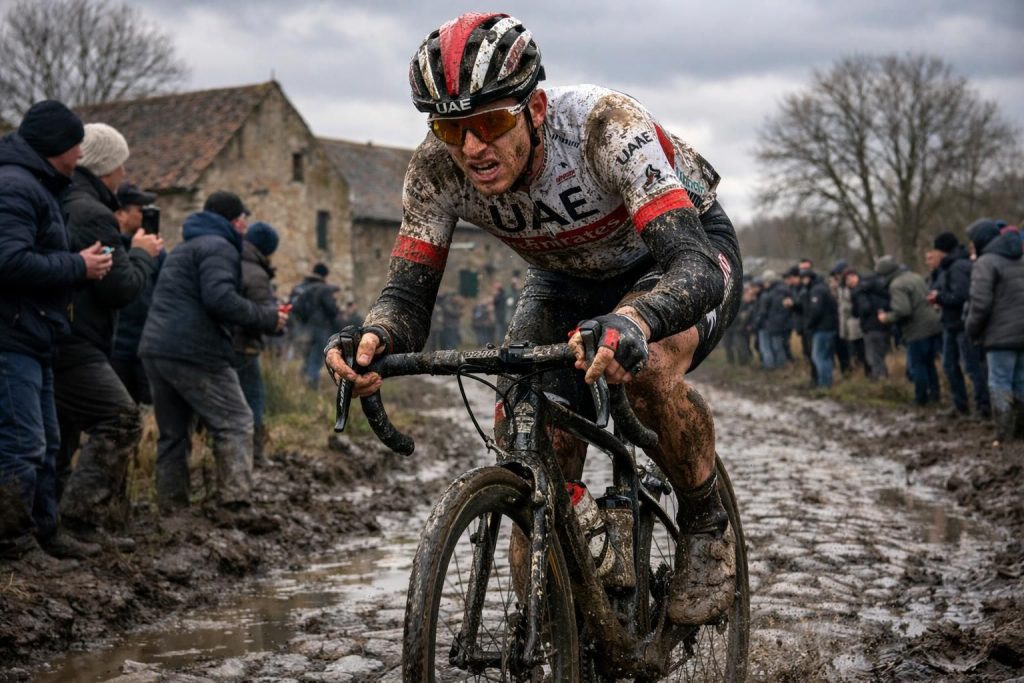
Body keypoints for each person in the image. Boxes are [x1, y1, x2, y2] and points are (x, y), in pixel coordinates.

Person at [325, 12, 742, 626]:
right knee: (526, 424)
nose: (472, 148)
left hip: (675, 254)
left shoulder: (605, 128)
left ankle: (705, 521)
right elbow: (407, 299)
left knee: (648, 370)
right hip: (563, 276)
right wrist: (375, 336)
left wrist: (634, 319)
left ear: (536, 109)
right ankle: (561, 604)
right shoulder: (435, 171)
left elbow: (693, 267)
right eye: (450, 127)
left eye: (491, 122)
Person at [0, 101, 113, 560]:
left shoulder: (38, 186)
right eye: (75, 146)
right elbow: (9, 261)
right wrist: (77, 266)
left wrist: (76, 265)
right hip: (11, 337)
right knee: (21, 444)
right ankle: (14, 546)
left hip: (35, 335)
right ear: (56, 147)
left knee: (45, 442)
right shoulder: (15, 187)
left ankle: (46, 534)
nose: (80, 156)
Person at [139, 191, 286, 514]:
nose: (244, 227)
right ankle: (235, 503)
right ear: (234, 221)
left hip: (157, 347)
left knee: (173, 433)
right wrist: (268, 317)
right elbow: (219, 298)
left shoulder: (185, 247)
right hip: (195, 351)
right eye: (242, 220)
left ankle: (171, 509)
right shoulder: (219, 247)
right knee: (236, 421)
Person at [55, 123, 162, 549]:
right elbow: (118, 289)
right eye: (121, 165)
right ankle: (79, 520)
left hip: (57, 334)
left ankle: (49, 527)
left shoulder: (62, 199)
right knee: (121, 419)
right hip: (77, 339)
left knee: (57, 438)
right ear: (105, 167)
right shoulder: (92, 213)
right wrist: (141, 255)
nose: (124, 174)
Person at [965, 219, 1024, 443]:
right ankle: (1021, 430)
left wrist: (972, 329)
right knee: (1020, 382)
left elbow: (980, 304)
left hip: (999, 335)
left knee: (999, 383)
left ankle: (1005, 433)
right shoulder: (1020, 257)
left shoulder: (986, 262)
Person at [110, 182, 164, 405]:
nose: (145, 216)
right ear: (121, 215)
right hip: (117, 348)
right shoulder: (111, 249)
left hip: (148, 345)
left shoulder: (157, 252)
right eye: (140, 210)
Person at [232, 221, 281, 467]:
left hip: (225, 345)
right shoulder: (256, 273)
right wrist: (277, 320)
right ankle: (255, 455)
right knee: (254, 399)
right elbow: (261, 314)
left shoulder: (230, 260)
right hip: (245, 347)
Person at [927, 232, 990, 418]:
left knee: (972, 366)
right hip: (950, 324)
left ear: (942, 251)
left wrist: (939, 298)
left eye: (935, 250)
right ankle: (960, 404)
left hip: (963, 325)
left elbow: (962, 296)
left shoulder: (958, 267)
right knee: (949, 365)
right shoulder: (948, 267)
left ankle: (983, 406)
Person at [876, 255, 942, 406]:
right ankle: (935, 395)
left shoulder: (896, 285)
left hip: (917, 329)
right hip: (933, 325)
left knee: (918, 366)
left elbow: (903, 311)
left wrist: (886, 318)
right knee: (929, 364)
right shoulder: (915, 276)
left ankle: (921, 398)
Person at [291, 263, 341, 389]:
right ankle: (312, 386)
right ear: (325, 275)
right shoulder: (324, 289)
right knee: (316, 358)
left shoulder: (300, 287)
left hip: (303, 328)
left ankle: (300, 384)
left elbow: (293, 308)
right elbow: (332, 310)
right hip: (320, 328)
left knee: (307, 357)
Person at [849, 269, 891, 380]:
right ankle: (884, 377)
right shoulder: (881, 291)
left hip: (870, 326)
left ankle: (879, 379)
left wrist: (856, 309)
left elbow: (864, 309)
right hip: (884, 325)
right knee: (880, 355)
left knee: (873, 356)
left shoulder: (861, 293)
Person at [803, 268, 839, 388]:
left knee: (818, 356)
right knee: (826, 357)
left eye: (805, 278)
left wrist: (809, 324)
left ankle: (824, 384)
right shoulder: (823, 288)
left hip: (822, 328)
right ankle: (827, 382)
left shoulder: (817, 290)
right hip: (829, 327)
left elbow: (816, 311)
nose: (803, 281)